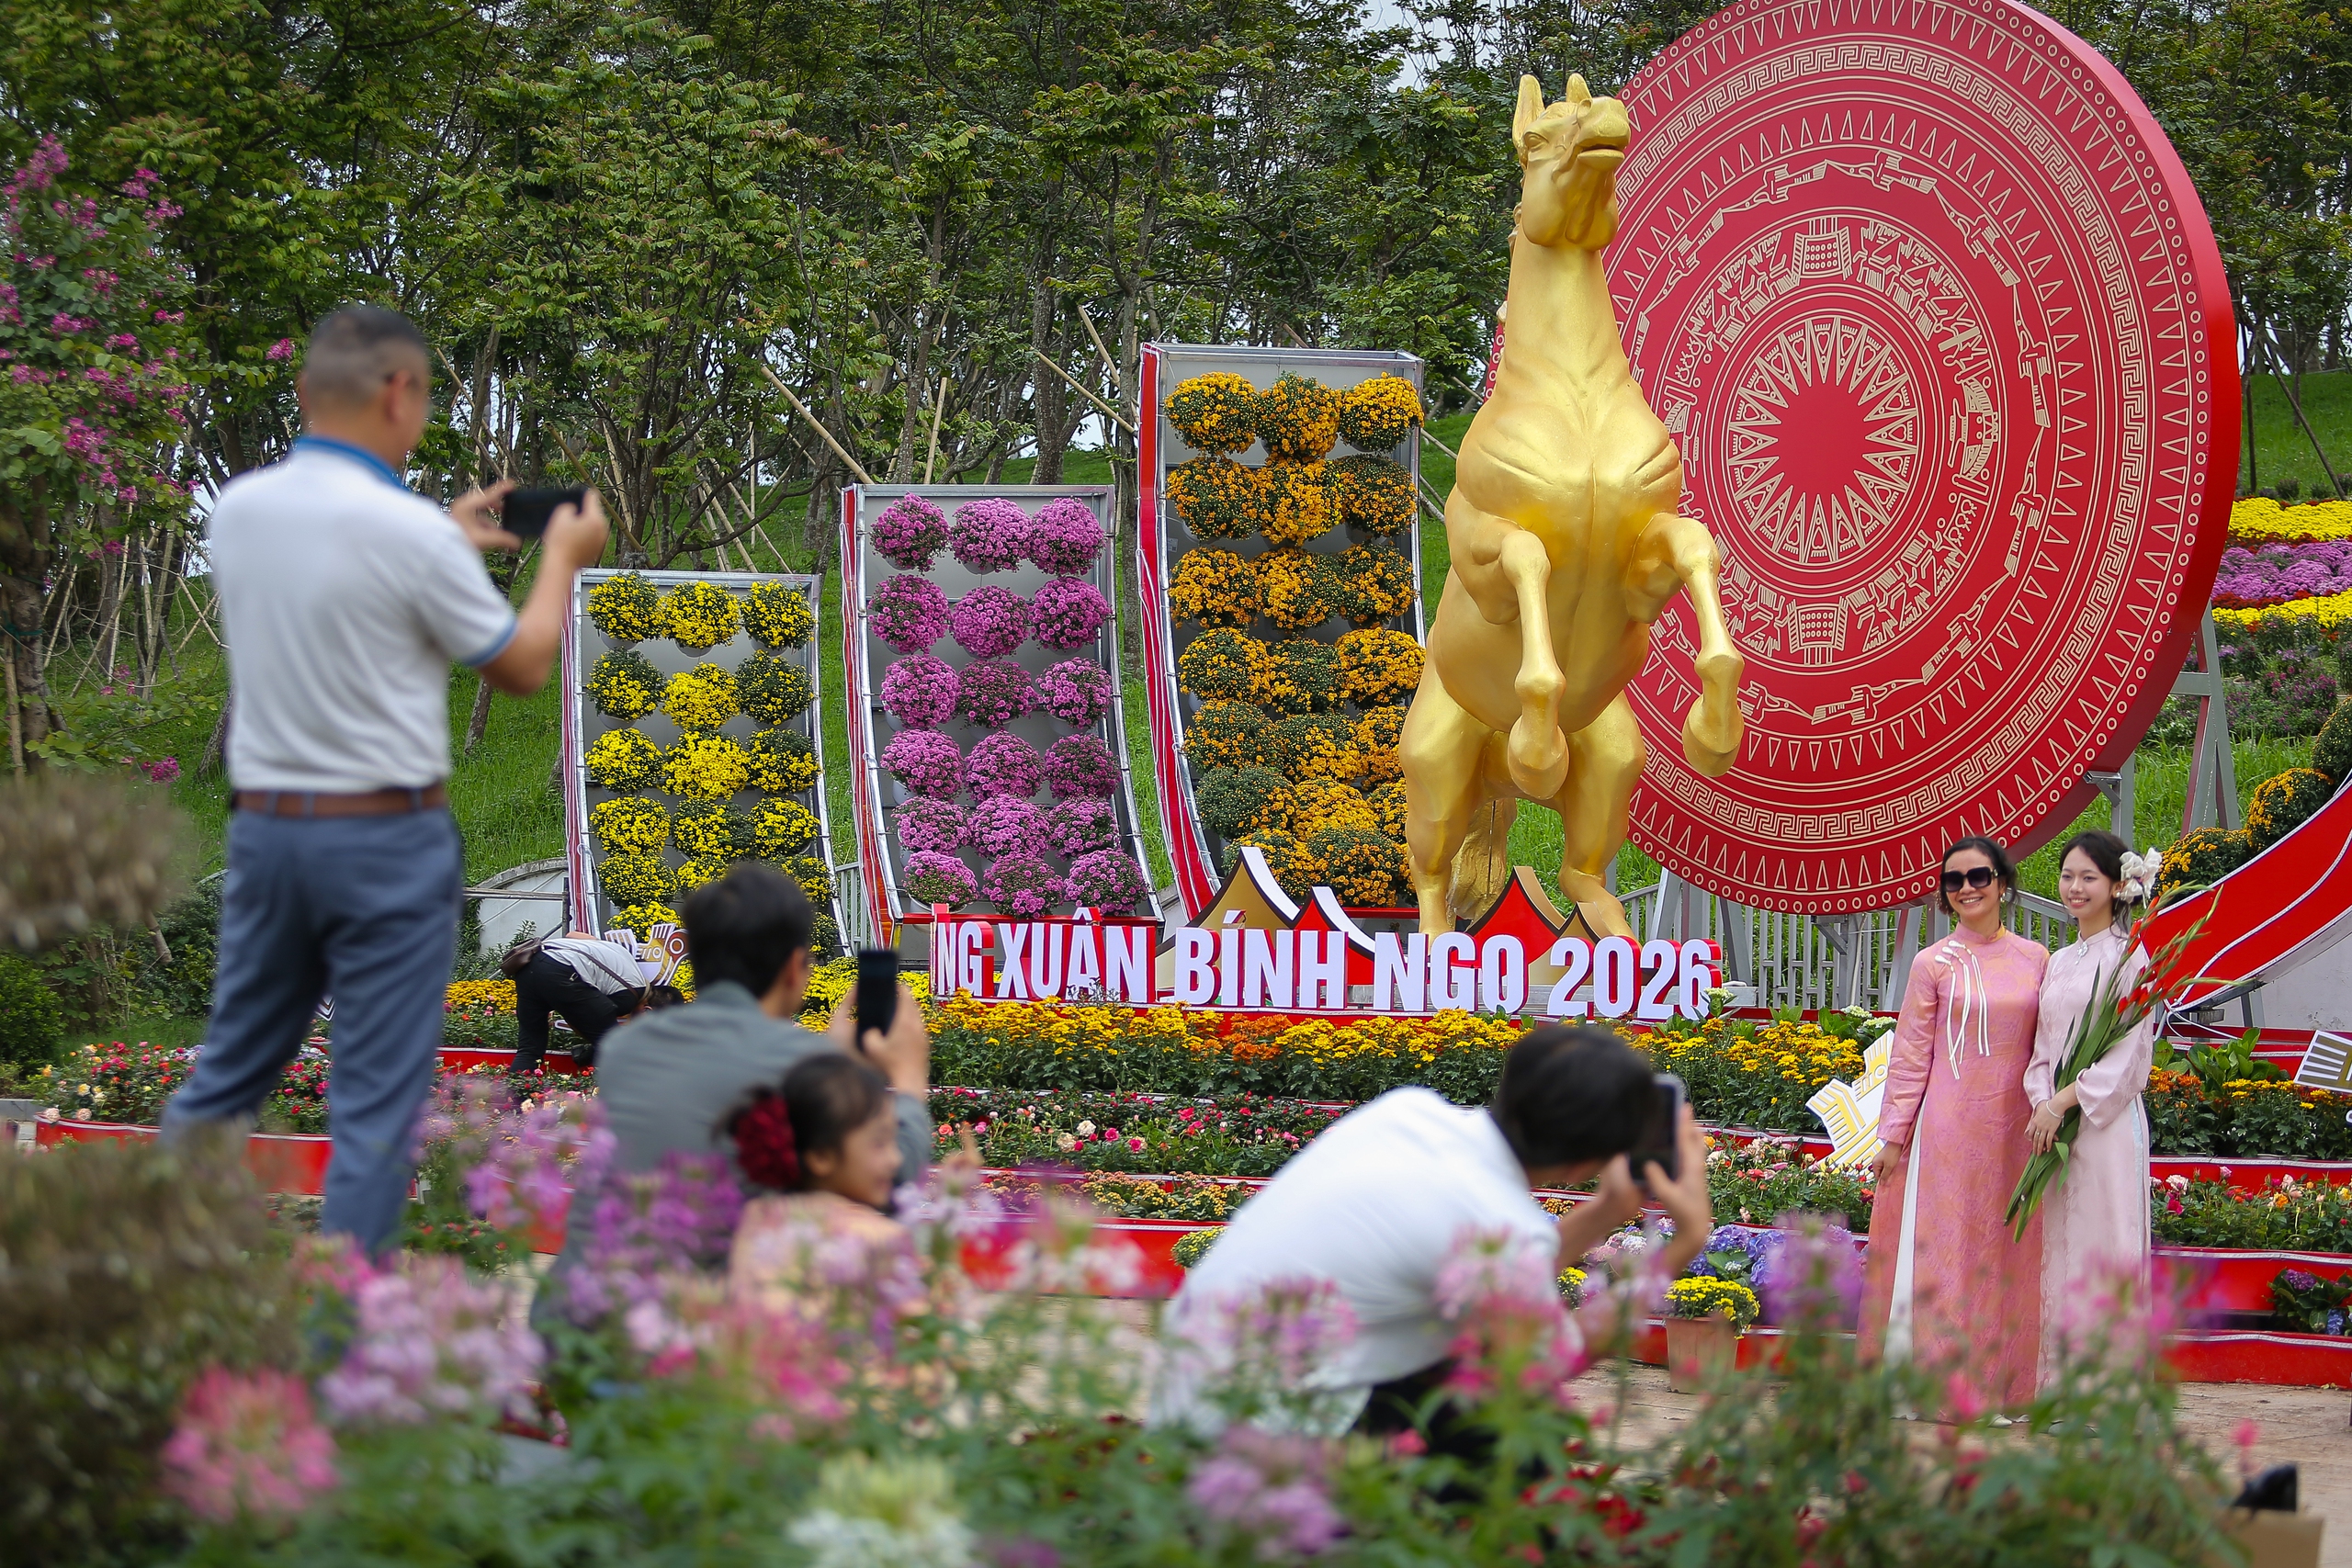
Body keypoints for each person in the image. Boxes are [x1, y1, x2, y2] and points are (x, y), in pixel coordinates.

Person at [161, 305, 607, 1254]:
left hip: (268, 835)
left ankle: (154, 1285)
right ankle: (339, 1333)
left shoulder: (239, 512)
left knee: (229, 1072)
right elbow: (521, 665)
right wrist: (561, 558)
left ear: (304, 392)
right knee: (373, 1102)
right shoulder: (409, 535)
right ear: (400, 391)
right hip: (385, 844)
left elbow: (344, 575)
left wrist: (442, 540)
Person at [1154, 1025, 1713, 1438]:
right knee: (1517, 1431)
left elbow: (1486, 1269)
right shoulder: (1503, 1228)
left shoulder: (1406, 1112)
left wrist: (1609, 1208)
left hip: (1189, 1397)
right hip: (1255, 1451)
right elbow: (1545, 1364)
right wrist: (1683, 1243)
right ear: (1582, 1162)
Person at [537, 863, 930, 1317]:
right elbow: (889, 1181)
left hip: (573, 1320)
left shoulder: (627, 1047)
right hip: (681, 1344)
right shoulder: (803, 1064)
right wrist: (909, 1073)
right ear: (795, 968)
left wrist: (827, 1060)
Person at [1861, 835, 2048, 1410]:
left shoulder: (2036, 959)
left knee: (2007, 1252)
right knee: (1949, 1252)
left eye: (1979, 877)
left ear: (2003, 884)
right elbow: (1912, 1055)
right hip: (1947, 1131)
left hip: (2018, 1130)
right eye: (1954, 881)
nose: (1967, 888)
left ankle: (2007, 1386)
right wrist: (1894, 1136)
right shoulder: (1932, 963)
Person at [2025, 829, 2157, 1378]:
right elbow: (2042, 1047)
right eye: (2067, 876)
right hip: (2055, 1129)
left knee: (2106, 1245)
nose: (2074, 888)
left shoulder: (2131, 957)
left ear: (2117, 886)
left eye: (2088, 877)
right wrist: (2041, 1104)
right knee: (2061, 1248)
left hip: (2103, 1125)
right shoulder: (2058, 961)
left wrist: (2064, 1100)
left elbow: (2132, 1054)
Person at [725, 1053, 912, 1311]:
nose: (895, 1159)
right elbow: (918, 1330)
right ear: (821, 1156)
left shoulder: (757, 1216)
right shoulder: (879, 1237)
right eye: (879, 1143)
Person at [507, 930, 656, 1070]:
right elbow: (592, 1023)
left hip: (528, 967)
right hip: (561, 969)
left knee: (529, 1049)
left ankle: (515, 1095)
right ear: (646, 1009)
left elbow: (571, 934)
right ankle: (599, 1094)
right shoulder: (630, 996)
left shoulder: (620, 954)